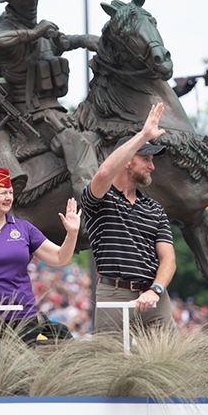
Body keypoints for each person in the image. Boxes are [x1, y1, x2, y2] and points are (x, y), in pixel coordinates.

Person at [0, 0, 100, 197]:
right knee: (77, 145)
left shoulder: (40, 30)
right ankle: (92, 210)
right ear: (12, 2)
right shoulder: (5, 31)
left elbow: (65, 42)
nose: (32, 2)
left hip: (54, 109)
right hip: (30, 115)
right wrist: (33, 33)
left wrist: (89, 40)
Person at [0, 167, 81, 345]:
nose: (9, 197)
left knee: (22, 370)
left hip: (21, 316)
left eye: (10, 193)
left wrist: (72, 234)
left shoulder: (24, 229)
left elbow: (60, 258)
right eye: (3, 193)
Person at [81, 103, 177, 332]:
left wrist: (156, 290)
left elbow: (169, 260)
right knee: (110, 363)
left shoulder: (154, 208)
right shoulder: (100, 199)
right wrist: (143, 136)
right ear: (127, 161)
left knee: (170, 362)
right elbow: (104, 172)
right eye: (146, 159)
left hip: (153, 295)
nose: (152, 166)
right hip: (114, 293)